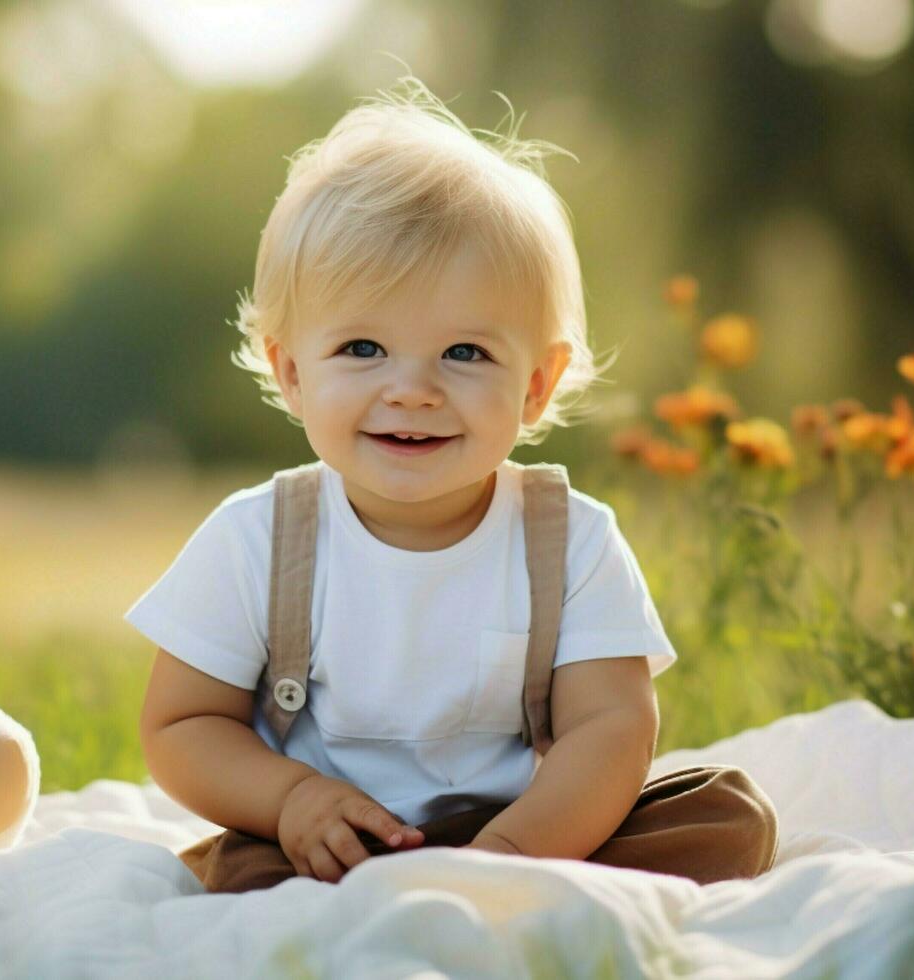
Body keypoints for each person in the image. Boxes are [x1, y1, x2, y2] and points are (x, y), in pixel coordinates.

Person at [125, 76, 778, 894]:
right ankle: (342, 896)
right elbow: (184, 724)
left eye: (464, 354)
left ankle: (492, 890)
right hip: (330, 836)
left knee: (727, 816)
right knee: (246, 867)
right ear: (290, 373)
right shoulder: (257, 537)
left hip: (523, 827)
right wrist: (291, 799)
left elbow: (610, 728)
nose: (413, 389)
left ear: (537, 385)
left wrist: (509, 858)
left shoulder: (567, 538)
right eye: (363, 348)